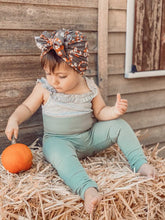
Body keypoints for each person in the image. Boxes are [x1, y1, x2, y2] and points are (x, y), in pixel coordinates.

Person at [5, 29, 156, 214]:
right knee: (61, 157)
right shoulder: (44, 88)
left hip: (89, 137)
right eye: (48, 74)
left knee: (120, 126)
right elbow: (27, 107)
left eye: (61, 76)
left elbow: (100, 112)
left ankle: (139, 163)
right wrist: (14, 119)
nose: (54, 81)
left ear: (79, 70)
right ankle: (87, 189)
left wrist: (114, 111)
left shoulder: (89, 86)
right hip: (59, 141)